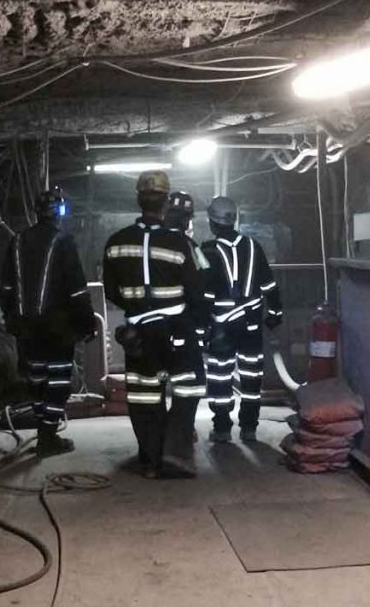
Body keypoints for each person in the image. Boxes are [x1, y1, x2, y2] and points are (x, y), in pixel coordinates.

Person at [103, 172, 207, 478]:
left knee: (144, 396)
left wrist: (137, 309)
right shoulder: (179, 243)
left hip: (138, 334)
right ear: (165, 203)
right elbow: (196, 290)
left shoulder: (116, 242)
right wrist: (200, 323)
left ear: (138, 199)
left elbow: (111, 292)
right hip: (177, 328)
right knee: (190, 386)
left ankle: (149, 460)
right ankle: (175, 451)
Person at [0, 187, 97, 457]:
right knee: (57, 383)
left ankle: (45, 433)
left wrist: (11, 318)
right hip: (58, 331)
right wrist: (87, 323)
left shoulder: (17, 241)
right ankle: (47, 437)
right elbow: (77, 289)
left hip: (26, 331)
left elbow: (6, 286)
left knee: (37, 381)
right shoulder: (63, 242)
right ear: (60, 213)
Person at [201, 196, 283, 443]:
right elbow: (269, 284)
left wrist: (201, 326)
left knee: (220, 377)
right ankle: (249, 428)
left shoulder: (208, 250)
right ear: (234, 219)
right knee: (251, 376)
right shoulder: (253, 246)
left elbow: (204, 293)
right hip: (251, 325)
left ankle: (222, 428)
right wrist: (274, 313)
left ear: (212, 222)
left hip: (221, 327)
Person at [164, 191, 211, 353]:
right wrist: (202, 325)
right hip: (183, 322)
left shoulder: (148, 242)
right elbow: (203, 282)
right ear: (185, 220)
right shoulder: (189, 246)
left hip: (152, 323)